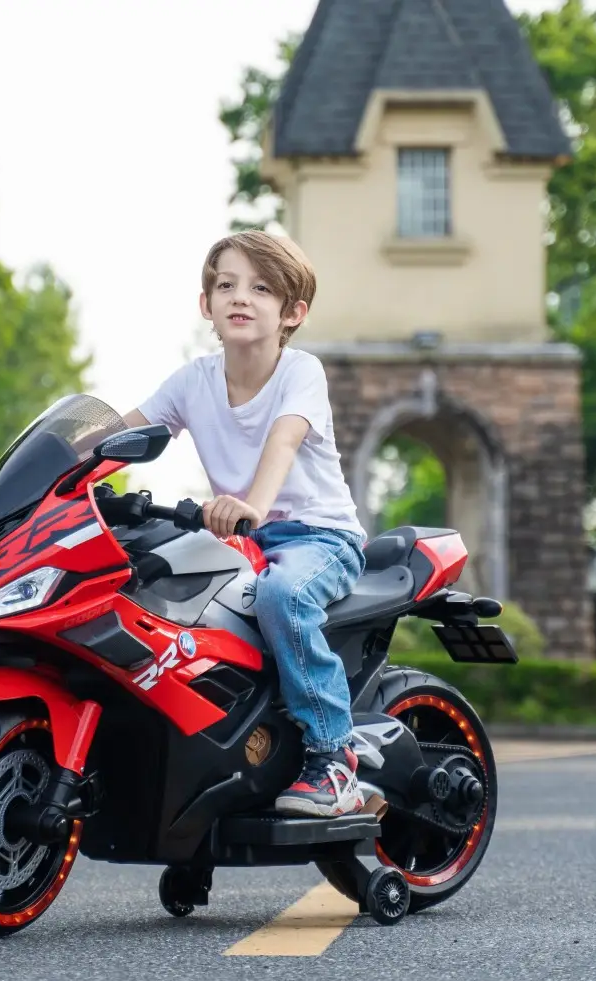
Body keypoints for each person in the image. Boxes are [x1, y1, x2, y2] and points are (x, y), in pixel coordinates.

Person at [122, 230, 368, 818]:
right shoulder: (193, 381)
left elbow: (283, 441)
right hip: (241, 538)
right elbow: (121, 434)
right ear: (205, 305)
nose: (240, 297)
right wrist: (28, 473)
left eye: (261, 288)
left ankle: (334, 759)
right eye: (226, 285)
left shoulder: (300, 372)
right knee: (151, 589)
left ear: (292, 312)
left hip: (320, 538)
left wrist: (253, 504)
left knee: (282, 595)